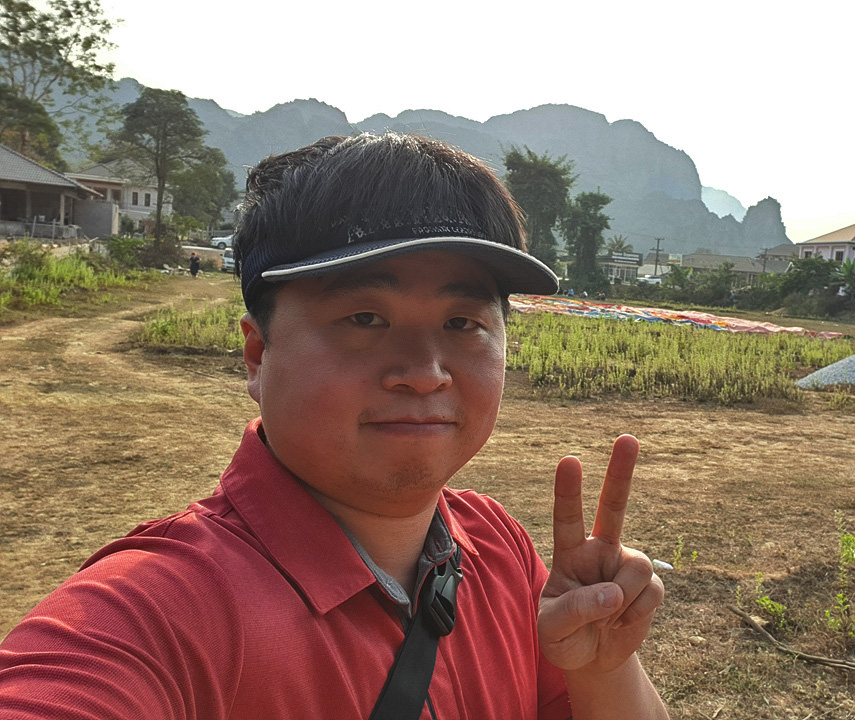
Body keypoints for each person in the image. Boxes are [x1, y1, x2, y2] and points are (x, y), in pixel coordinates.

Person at [0, 133, 668, 720]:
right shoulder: (155, 617)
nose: (424, 372)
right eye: (364, 319)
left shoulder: (499, 549)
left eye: (462, 323)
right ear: (258, 353)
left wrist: (601, 667)